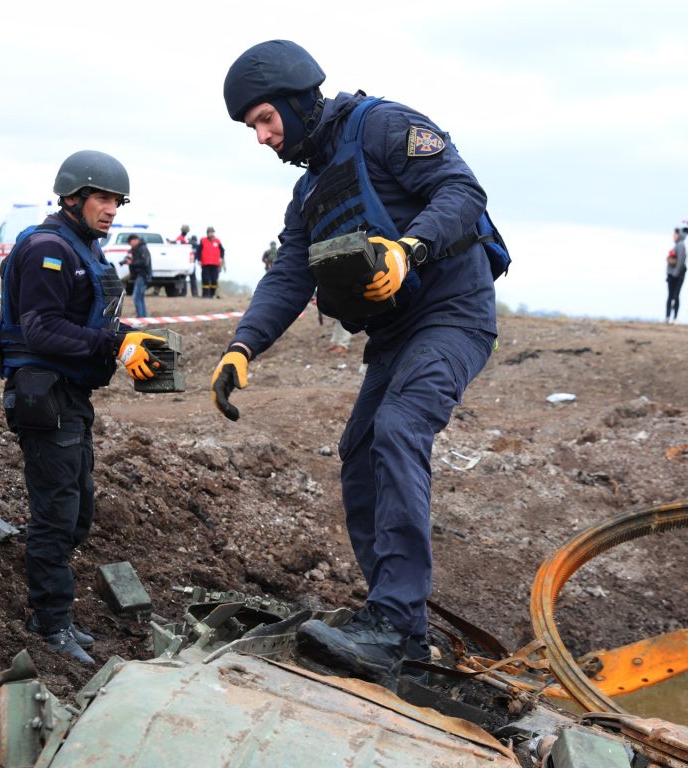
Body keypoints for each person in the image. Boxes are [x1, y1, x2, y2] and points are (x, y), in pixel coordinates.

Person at [213, 40, 504, 690]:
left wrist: (408, 249)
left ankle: (398, 625)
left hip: (454, 313)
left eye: (264, 119)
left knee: (400, 428)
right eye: (252, 128)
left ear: (293, 97)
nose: (261, 136)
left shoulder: (384, 126)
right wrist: (241, 346)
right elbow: (289, 273)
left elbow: (461, 190)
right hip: (395, 335)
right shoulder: (310, 189)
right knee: (361, 451)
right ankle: (389, 618)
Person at [0, 149, 167, 663]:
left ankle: (48, 608)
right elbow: (42, 328)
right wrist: (112, 346)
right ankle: (51, 624)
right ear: (72, 197)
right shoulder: (49, 249)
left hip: (70, 397)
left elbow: (86, 323)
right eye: (102, 198)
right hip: (43, 396)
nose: (112, 209)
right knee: (56, 514)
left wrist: (127, 335)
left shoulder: (83, 249)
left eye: (117, 200)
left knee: (77, 513)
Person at [665, 226, 688, 324]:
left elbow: (681, 261)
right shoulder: (678, 245)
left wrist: (675, 274)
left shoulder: (680, 245)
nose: (673, 236)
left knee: (674, 296)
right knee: (672, 296)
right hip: (673, 274)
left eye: (675, 234)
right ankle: (668, 317)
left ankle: (673, 318)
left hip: (676, 275)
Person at [124, 233, 152, 318]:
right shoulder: (136, 249)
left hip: (142, 275)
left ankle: (141, 318)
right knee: (140, 297)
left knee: (136, 297)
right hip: (140, 275)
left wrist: (131, 262)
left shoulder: (142, 249)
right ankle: (143, 317)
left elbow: (144, 262)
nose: (130, 244)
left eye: (130, 242)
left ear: (135, 240)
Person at [198, 226, 224, 298]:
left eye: (212, 232)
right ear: (207, 233)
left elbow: (222, 251)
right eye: (209, 232)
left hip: (215, 264)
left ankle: (212, 294)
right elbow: (198, 251)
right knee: (205, 279)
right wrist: (199, 259)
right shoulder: (203, 241)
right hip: (205, 263)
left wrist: (221, 258)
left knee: (214, 279)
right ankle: (205, 294)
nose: (211, 234)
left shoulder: (217, 241)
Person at [176, 225, 199, 297]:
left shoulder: (181, 239)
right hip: (187, 262)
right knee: (190, 278)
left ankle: (185, 293)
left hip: (186, 262)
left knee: (185, 278)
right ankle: (193, 294)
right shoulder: (182, 239)